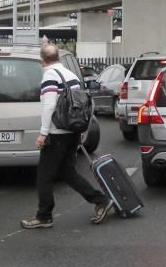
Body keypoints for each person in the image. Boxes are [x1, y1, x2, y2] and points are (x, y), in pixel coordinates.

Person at [21, 43, 113, 229]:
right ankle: (100, 200)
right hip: (72, 131)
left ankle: (44, 216)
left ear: (42, 61)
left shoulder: (49, 76)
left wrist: (43, 133)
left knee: (44, 176)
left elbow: (49, 105)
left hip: (57, 133)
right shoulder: (70, 75)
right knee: (67, 173)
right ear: (59, 58)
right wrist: (80, 132)